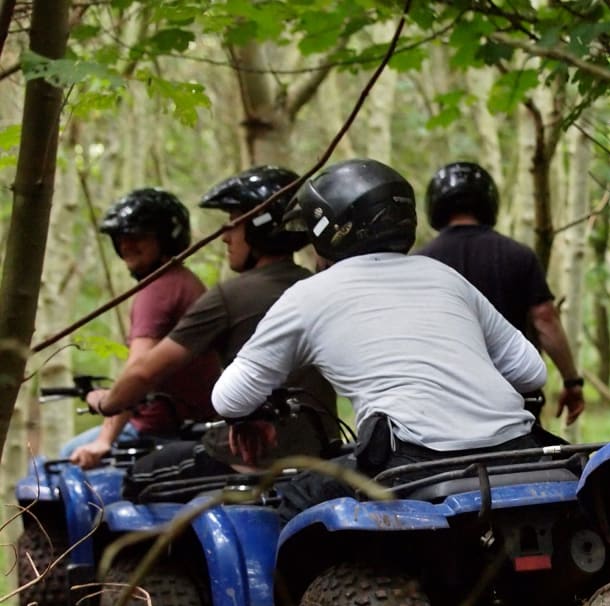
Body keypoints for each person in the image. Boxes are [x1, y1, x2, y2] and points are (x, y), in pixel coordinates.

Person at [210, 158, 556, 522]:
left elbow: (229, 398)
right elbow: (531, 372)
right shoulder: (443, 276)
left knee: (293, 497)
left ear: (331, 231)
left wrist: (255, 414)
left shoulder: (308, 295)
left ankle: (321, 582)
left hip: (413, 464)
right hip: (517, 452)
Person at [83, 166, 342, 493]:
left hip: (253, 458)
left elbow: (144, 372)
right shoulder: (318, 286)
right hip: (324, 452)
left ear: (260, 227)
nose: (225, 235)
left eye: (234, 222)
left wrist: (106, 402)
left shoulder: (229, 296)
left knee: (136, 478)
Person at [416, 162, 585, 425]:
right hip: (513, 402)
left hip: (443, 404)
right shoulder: (518, 255)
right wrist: (572, 381)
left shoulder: (421, 263)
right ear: (488, 201)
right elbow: (546, 319)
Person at [65, 189, 221, 468]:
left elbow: (139, 369)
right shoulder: (184, 280)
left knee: (64, 458)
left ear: (165, 238)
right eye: (120, 237)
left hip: (158, 428)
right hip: (190, 422)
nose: (126, 245)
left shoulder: (159, 289)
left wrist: (104, 439)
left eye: (137, 236)